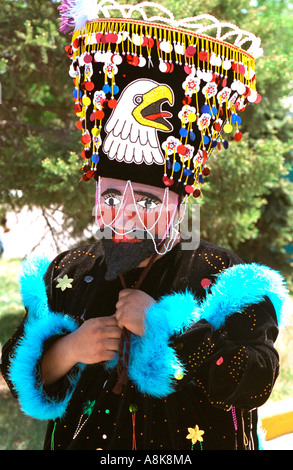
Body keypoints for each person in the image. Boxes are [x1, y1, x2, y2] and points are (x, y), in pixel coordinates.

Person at [1, 1, 290, 451]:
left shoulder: (224, 278)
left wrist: (171, 326)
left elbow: (256, 381)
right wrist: (71, 349)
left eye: (149, 200)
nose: (125, 215)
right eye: (112, 196)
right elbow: (18, 375)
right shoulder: (68, 273)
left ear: (179, 203)